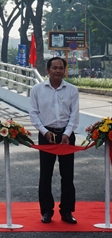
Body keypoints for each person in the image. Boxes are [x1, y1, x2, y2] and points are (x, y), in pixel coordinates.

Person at [29, 57, 79, 224]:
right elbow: (33, 113)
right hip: (46, 135)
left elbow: (74, 114)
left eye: (60, 68)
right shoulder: (37, 89)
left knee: (67, 175)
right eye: (54, 68)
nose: (57, 71)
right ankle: (46, 211)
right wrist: (43, 131)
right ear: (47, 70)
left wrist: (67, 132)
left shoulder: (72, 90)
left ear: (64, 70)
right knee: (45, 175)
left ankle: (67, 211)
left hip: (66, 135)